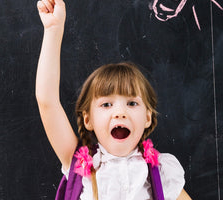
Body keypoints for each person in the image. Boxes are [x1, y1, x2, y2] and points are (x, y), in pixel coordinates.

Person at [36, 0, 192, 199]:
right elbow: (46, 100)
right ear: (87, 119)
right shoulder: (78, 165)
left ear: (148, 117)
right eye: (106, 104)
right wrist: (52, 30)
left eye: (132, 103)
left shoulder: (161, 173)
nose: (120, 112)